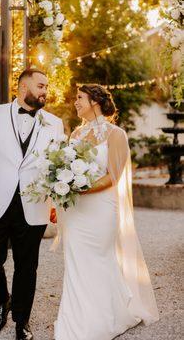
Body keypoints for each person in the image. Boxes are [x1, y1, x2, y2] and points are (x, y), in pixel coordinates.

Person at [0, 68, 64, 340]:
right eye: (41, 85)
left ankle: (22, 320)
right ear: (23, 87)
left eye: (46, 86)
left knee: (26, 265)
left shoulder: (55, 123)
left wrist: (56, 202)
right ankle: (1, 301)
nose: (45, 91)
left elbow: (59, 166)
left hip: (34, 204)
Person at [54, 84, 159, 340]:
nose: (75, 102)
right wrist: (63, 190)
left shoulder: (116, 134)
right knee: (76, 262)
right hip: (76, 212)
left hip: (102, 209)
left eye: (80, 98)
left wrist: (79, 188)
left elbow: (113, 176)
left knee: (99, 259)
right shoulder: (76, 135)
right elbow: (65, 170)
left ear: (95, 101)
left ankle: (107, 317)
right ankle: (75, 321)